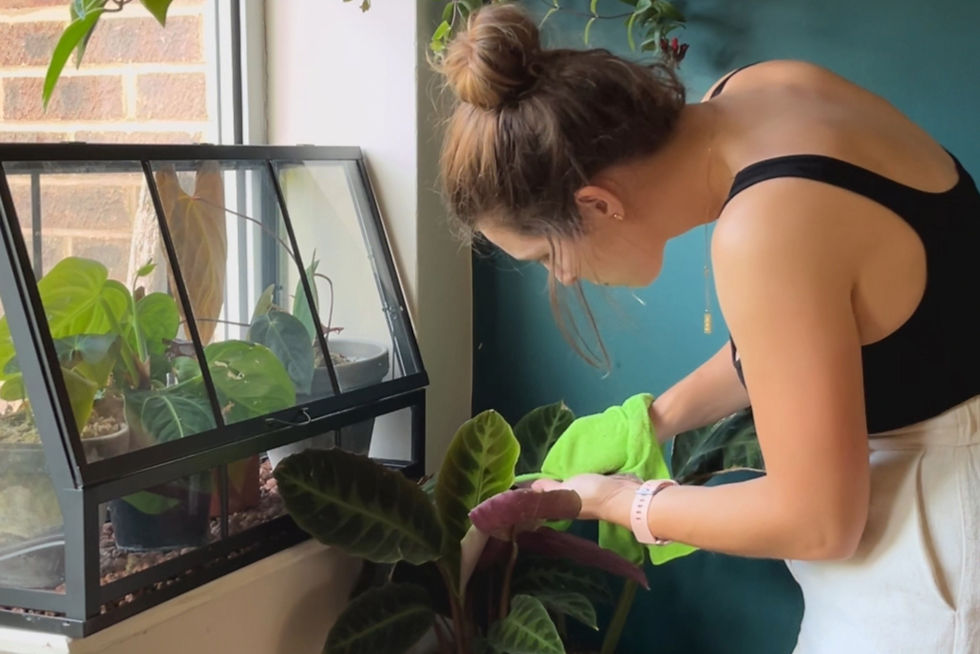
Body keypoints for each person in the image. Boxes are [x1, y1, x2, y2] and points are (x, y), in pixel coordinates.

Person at [435, 4, 979, 654]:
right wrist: (656, 418)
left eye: (548, 257)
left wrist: (619, 502)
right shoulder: (762, 91)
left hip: (939, 559)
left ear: (597, 203)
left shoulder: (764, 229)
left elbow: (818, 522)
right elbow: (820, 327)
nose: (567, 279)